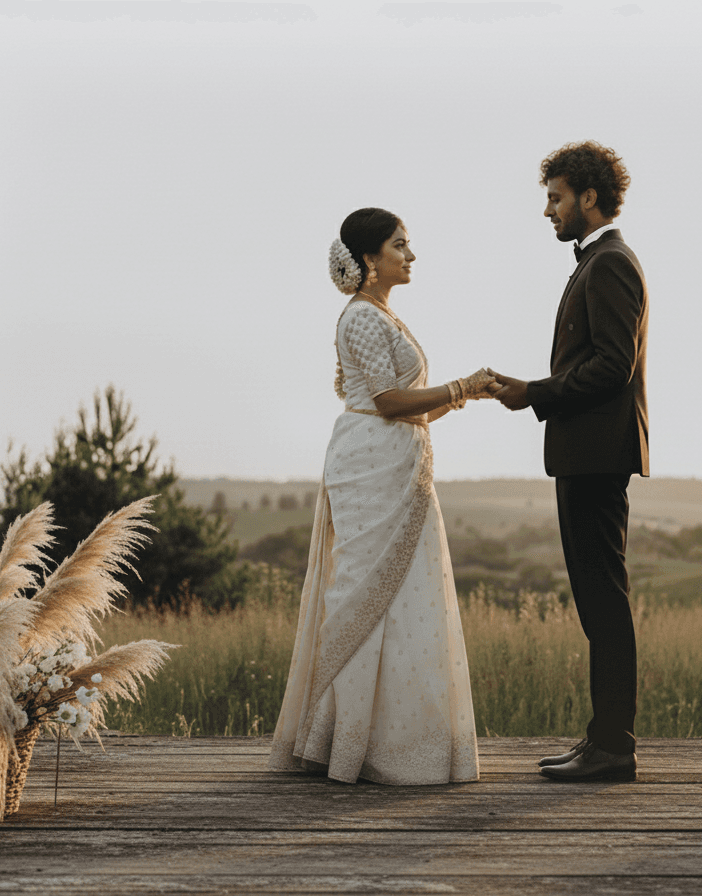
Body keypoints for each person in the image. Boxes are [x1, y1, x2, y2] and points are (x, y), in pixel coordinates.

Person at [268, 208, 495, 784]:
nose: (411, 255)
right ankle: (347, 743)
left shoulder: (385, 314)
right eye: (401, 245)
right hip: (370, 467)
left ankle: (399, 743)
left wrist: (467, 397)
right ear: (370, 259)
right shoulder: (362, 319)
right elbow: (390, 403)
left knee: (410, 599)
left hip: (400, 463)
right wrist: (461, 384)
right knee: (365, 596)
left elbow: (412, 409)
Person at [491, 141, 649, 781]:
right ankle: (603, 739)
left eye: (555, 198)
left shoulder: (610, 263)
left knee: (604, 606)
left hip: (595, 459)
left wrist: (534, 393)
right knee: (596, 604)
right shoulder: (597, 261)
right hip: (584, 457)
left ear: (588, 197)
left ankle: (614, 748)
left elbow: (614, 366)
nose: (548, 211)